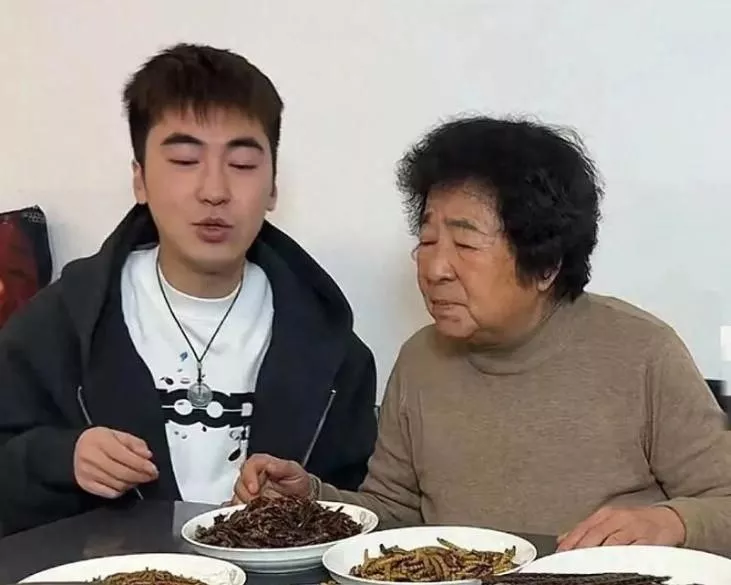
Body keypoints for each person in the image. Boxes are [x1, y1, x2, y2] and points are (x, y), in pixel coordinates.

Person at [234, 116, 731, 557]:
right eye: (427, 239)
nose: (434, 268)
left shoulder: (642, 352)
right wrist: (312, 500)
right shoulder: (421, 359)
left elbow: (724, 501)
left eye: (466, 243)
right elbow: (395, 513)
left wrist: (671, 522)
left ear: (546, 265)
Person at [0, 43, 377, 536]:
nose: (214, 190)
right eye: (184, 160)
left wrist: (306, 498)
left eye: (242, 164)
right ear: (139, 179)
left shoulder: (334, 351)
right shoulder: (57, 327)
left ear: (272, 187)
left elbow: (362, 514)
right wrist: (60, 458)